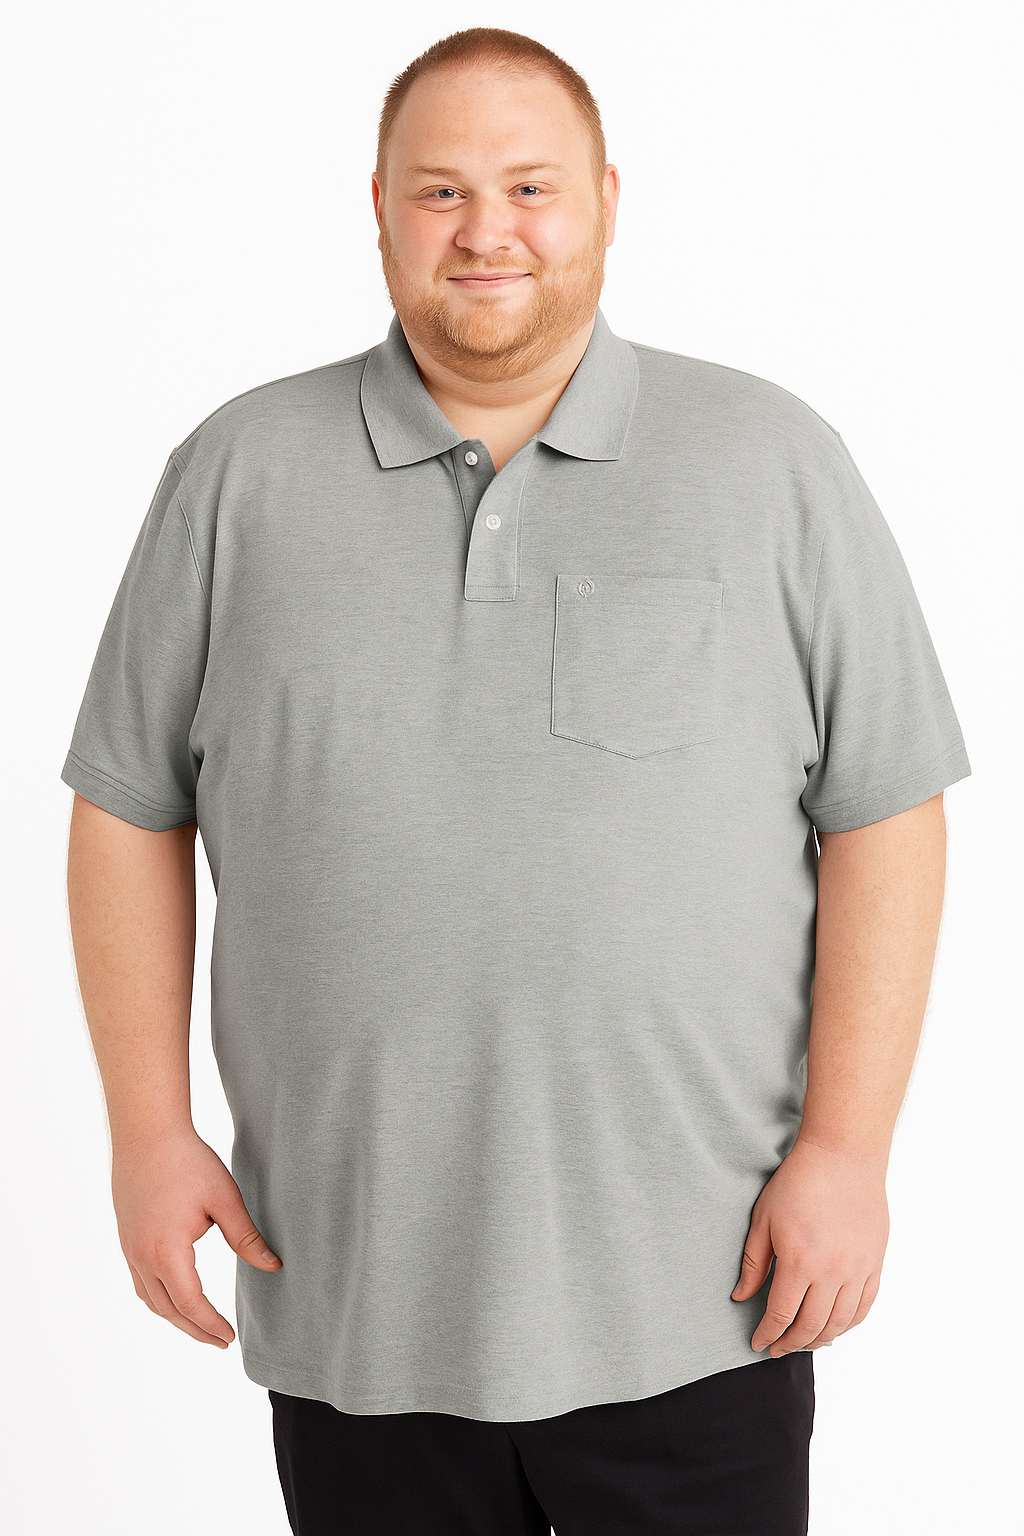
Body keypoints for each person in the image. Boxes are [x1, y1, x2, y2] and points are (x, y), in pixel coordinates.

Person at [62, 26, 971, 1536]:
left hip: (707, 1294)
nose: (486, 230)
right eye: (441, 191)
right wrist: (148, 1136)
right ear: (378, 209)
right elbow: (124, 807)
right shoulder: (236, 473)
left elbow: (886, 808)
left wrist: (848, 1152)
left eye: (531, 186)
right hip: (354, 1295)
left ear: (607, 199)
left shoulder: (774, 463)